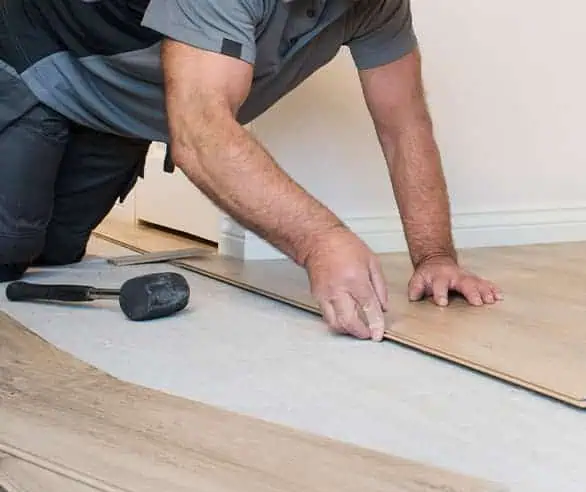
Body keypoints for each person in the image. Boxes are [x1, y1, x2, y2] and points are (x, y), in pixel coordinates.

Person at [0, 0, 501, 341]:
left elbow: (404, 123)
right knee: (8, 254)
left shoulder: (379, 5)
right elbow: (199, 130)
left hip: (118, 112)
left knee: (58, 256)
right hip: (37, 60)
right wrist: (321, 239)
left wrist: (435, 256)